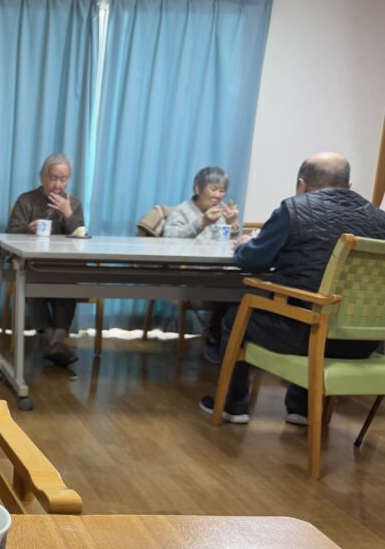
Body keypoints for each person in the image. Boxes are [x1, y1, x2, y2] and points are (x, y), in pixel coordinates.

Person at [200, 152, 385, 425]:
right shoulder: (379, 220)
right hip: (360, 344)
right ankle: (302, 408)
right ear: (349, 186)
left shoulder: (294, 209)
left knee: (234, 316)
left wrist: (244, 246)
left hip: (300, 335)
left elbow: (253, 261)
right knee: (318, 310)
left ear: (302, 184)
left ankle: (233, 405)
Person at [7, 153, 85, 366]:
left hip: (63, 266)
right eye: (53, 178)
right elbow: (11, 232)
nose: (58, 184)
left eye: (64, 179)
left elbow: (81, 237)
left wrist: (68, 214)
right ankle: (53, 340)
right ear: (42, 177)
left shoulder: (74, 203)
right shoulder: (26, 200)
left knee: (71, 280)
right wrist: (27, 228)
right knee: (32, 278)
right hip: (35, 264)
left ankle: (52, 340)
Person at [162, 166, 240, 362]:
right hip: (191, 272)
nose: (218, 195)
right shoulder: (182, 211)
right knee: (229, 289)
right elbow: (169, 240)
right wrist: (201, 222)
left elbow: (231, 244)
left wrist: (234, 225)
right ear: (198, 188)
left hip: (218, 270)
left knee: (242, 286)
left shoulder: (222, 213)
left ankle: (230, 345)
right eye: (213, 189)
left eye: (222, 190)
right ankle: (216, 340)